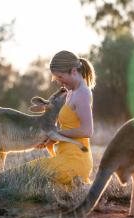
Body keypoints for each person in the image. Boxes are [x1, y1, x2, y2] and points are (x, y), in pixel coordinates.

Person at [29, 50, 96, 186]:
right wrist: (50, 140)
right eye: (56, 79)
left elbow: (87, 130)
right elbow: (69, 128)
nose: (59, 82)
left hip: (76, 160)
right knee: (22, 173)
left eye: (60, 77)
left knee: (23, 175)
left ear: (73, 71)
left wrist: (56, 134)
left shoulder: (82, 93)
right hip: (64, 156)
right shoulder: (71, 92)